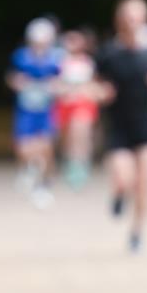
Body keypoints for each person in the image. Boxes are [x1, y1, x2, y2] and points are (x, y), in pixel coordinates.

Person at [96, 0, 147, 251]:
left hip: (146, 127)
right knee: (125, 178)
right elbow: (96, 82)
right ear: (120, 20)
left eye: (139, 17)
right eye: (129, 16)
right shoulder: (108, 54)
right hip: (119, 127)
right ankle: (118, 193)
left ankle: (137, 232)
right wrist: (101, 91)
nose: (134, 21)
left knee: (145, 183)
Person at [6, 17, 61, 209]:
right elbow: (11, 78)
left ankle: (44, 184)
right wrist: (18, 83)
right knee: (24, 148)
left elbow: (62, 82)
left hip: (46, 111)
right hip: (26, 111)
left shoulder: (55, 59)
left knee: (46, 148)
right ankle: (30, 168)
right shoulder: (21, 57)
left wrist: (54, 87)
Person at [54, 29, 99, 189]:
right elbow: (55, 83)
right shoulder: (59, 61)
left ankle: (81, 165)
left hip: (83, 103)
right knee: (68, 137)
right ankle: (70, 163)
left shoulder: (88, 62)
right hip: (65, 104)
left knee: (81, 133)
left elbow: (94, 83)